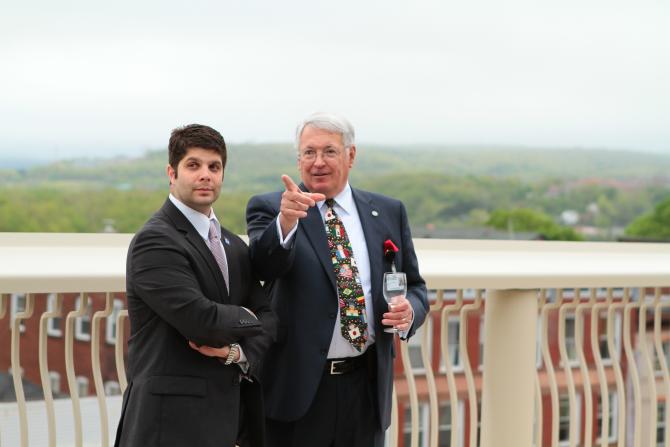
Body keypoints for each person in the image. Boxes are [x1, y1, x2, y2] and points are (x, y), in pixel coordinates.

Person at [246, 112, 429, 446]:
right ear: (298, 159)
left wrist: (410, 312)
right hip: (298, 392)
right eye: (308, 153)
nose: (318, 162)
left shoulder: (388, 212)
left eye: (329, 151)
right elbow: (263, 266)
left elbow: (415, 285)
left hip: (366, 389)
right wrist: (286, 223)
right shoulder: (274, 208)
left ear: (351, 156)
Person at [114, 124, 276, 447]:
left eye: (214, 167)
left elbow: (271, 316)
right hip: (168, 425)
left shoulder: (233, 245)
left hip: (229, 422)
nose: (205, 175)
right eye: (193, 165)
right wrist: (247, 316)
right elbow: (202, 322)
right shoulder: (155, 241)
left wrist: (236, 352)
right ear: (171, 173)